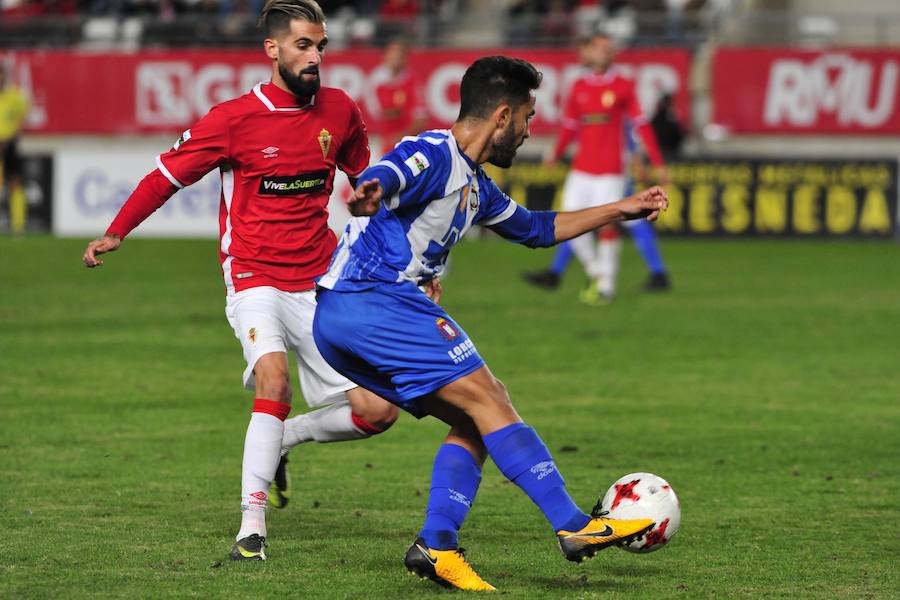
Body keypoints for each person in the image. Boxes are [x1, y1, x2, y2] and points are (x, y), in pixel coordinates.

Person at [313, 55, 667, 591]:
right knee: (490, 397)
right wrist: (373, 188)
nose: (528, 132)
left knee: (477, 420)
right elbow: (393, 170)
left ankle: (437, 546)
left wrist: (621, 208)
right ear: (502, 116)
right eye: (527, 117)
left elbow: (535, 228)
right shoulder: (434, 151)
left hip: (349, 316)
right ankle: (574, 526)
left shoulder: (475, 184)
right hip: (373, 299)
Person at [81, 0, 403, 562]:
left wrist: (399, 261)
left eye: (321, 46)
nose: (315, 57)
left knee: (378, 410)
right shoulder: (232, 119)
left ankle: (286, 439)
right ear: (273, 50)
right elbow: (164, 177)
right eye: (304, 45)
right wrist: (117, 232)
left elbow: (366, 187)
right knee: (272, 380)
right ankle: (251, 529)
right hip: (254, 276)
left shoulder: (341, 111)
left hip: (320, 279)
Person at [544, 31, 669, 305]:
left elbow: (641, 125)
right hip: (581, 169)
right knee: (566, 223)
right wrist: (556, 154)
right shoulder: (578, 87)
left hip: (611, 170)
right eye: (601, 48)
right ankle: (596, 272)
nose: (606, 53)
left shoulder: (624, 85)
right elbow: (569, 127)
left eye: (610, 49)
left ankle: (607, 286)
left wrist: (657, 162)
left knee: (607, 225)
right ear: (589, 51)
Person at [523, 121, 671, 292]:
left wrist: (638, 165)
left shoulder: (609, 110)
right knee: (581, 220)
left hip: (611, 174)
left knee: (589, 220)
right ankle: (559, 272)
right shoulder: (596, 112)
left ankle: (594, 278)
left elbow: (627, 138)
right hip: (599, 173)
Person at [370, 37, 427, 154]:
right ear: (385, 56)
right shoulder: (377, 81)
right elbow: (381, 113)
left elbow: (421, 118)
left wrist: (403, 134)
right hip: (387, 146)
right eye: (393, 53)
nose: (396, 58)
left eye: (399, 55)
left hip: (410, 145)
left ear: (405, 58)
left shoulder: (413, 82)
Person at [0, 64, 31, 235]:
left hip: (10, 144)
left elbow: (22, 119)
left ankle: (18, 227)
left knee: (15, 183)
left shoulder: (15, 96)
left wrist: (11, 136)